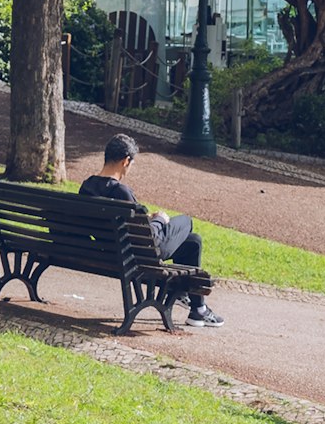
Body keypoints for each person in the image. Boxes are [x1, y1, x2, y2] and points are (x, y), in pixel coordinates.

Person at [79, 133, 224, 327]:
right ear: (125, 161)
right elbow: (152, 239)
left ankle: (196, 308)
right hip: (141, 257)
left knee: (193, 242)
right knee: (186, 221)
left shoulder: (87, 187)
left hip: (109, 253)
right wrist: (160, 221)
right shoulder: (121, 192)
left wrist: (146, 219)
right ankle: (195, 308)